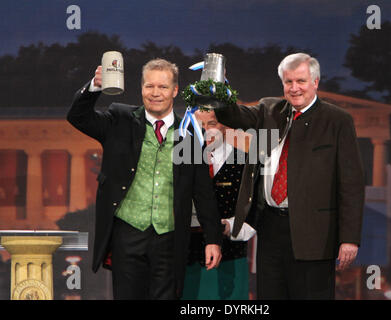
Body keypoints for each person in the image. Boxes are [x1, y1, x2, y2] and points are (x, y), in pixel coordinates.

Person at [67, 58, 222, 300]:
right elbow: (77, 117)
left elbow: (202, 191)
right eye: (149, 86)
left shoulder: (191, 134)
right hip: (127, 235)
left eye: (162, 87)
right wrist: (94, 87)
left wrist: (212, 239)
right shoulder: (119, 119)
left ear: (174, 90)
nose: (155, 93)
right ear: (141, 88)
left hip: (170, 238)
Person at [213, 52, 365, 299]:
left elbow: (351, 184)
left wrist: (349, 239)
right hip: (271, 226)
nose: (294, 89)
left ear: (315, 82)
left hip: (316, 234)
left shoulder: (338, 121)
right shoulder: (269, 109)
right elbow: (232, 116)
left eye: (301, 81)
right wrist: (220, 87)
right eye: (288, 82)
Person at [182, 109, 254, 299]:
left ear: (226, 125)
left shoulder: (246, 161)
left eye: (212, 124)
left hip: (231, 257)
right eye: (200, 125)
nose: (206, 131)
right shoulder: (181, 162)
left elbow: (255, 209)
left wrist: (230, 226)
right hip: (187, 258)